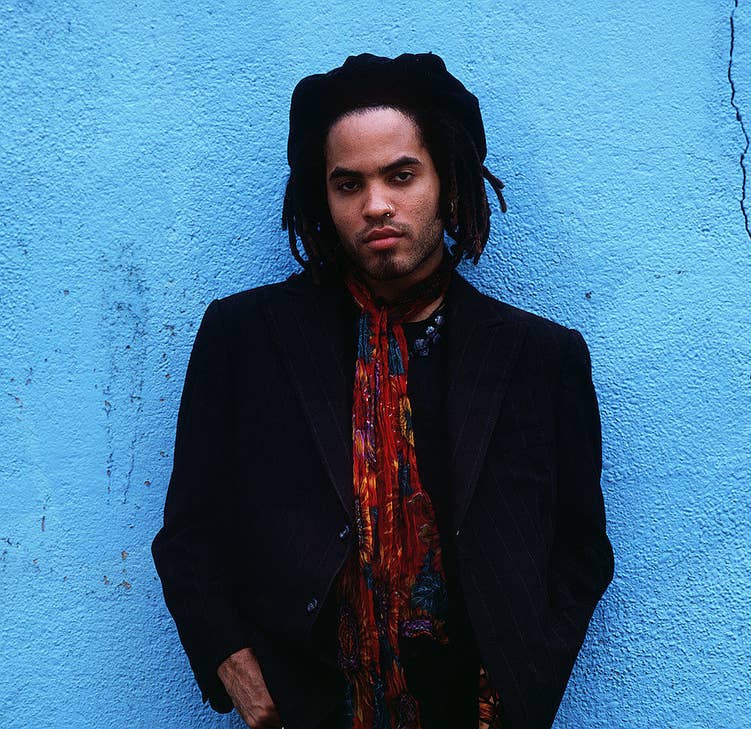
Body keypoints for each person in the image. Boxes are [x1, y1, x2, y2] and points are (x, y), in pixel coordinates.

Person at [152, 52, 613, 729]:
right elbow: (189, 534)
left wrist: (525, 682)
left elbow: (581, 548)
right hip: (310, 710)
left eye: (402, 175)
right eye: (348, 184)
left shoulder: (540, 357)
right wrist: (240, 673)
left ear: (447, 182)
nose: (375, 205)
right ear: (323, 196)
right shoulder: (247, 337)